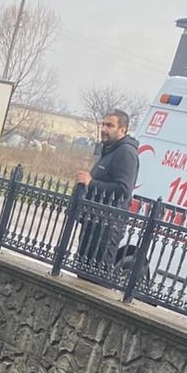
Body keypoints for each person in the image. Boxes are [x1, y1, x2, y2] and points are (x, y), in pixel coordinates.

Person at [74, 109, 140, 282]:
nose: (103, 129)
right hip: (93, 222)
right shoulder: (108, 150)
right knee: (82, 271)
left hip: (107, 227)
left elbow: (123, 189)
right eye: (103, 124)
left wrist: (91, 183)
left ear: (122, 131)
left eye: (110, 125)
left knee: (95, 277)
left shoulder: (126, 153)